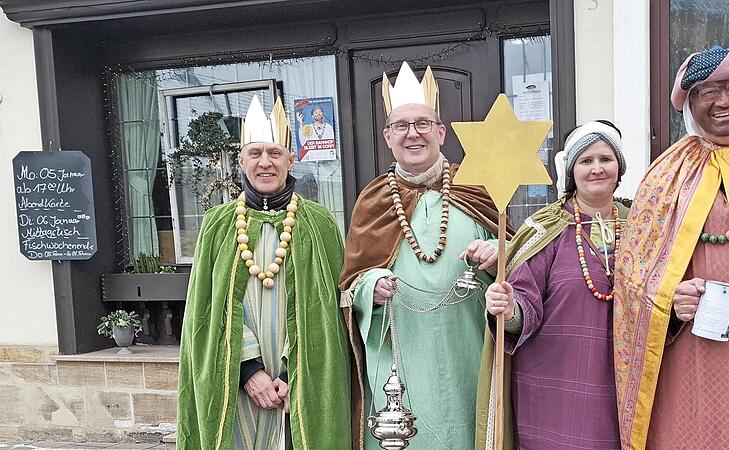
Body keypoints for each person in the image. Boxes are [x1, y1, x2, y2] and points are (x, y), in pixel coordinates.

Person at [614, 44, 729, 450]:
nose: (723, 101)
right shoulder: (665, 175)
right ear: (689, 103)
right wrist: (668, 298)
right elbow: (633, 274)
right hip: (690, 354)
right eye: (706, 91)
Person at [339, 61, 512, 449]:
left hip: (467, 343)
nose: (412, 134)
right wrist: (371, 287)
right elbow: (351, 282)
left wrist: (495, 252)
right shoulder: (373, 200)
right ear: (387, 137)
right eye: (401, 126)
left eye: (422, 124)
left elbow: (515, 261)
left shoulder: (477, 189)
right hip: (402, 350)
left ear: (440, 132)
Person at [177, 95, 351, 450]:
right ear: (241, 161)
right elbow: (207, 311)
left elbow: (328, 312)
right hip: (236, 379)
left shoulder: (319, 223)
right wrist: (249, 371)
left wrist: (292, 373)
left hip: (301, 378)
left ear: (291, 159)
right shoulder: (218, 224)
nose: (265, 163)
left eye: (274, 153)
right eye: (255, 154)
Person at [483, 120, 627, 449]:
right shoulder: (546, 228)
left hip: (625, 381)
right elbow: (523, 301)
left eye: (606, 159)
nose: (597, 169)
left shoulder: (644, 224)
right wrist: (510, 307)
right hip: (557, 387)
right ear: (571, 170)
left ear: (620, 167)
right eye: (586, 161)